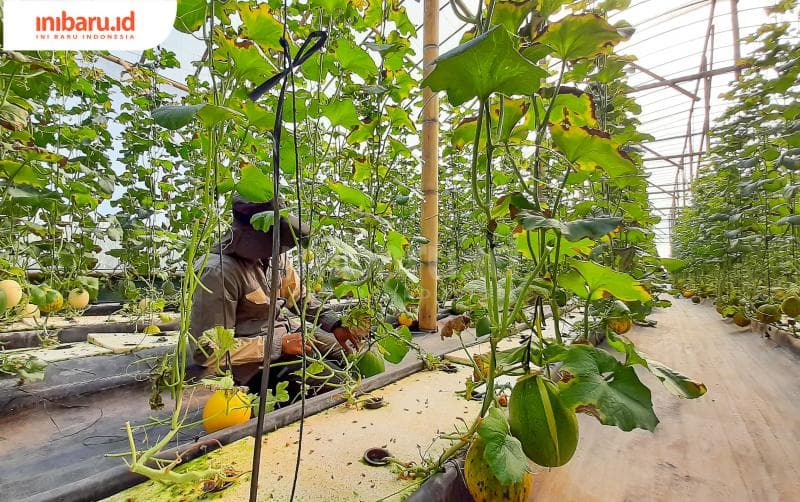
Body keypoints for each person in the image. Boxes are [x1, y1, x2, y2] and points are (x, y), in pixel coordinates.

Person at [188, 195, 365, 396]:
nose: (275, 249)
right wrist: (279, 345)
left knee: (347, 354)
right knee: (340, 385)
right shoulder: (218, 272)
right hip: (252, 366)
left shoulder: (275, 255)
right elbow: (207, 352)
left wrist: (335, 323)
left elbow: (297, 296)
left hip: (286, 335)